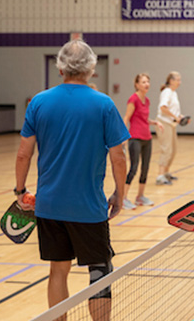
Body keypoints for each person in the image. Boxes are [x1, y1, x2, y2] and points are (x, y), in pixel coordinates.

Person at [14, 39, 130, 321]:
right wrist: (119, 194)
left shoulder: (39, 102)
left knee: (57, 270)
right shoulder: (104, 104)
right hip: (88, 208)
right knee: (100, 270)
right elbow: (118, 157)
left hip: (49, 206)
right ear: (91, 68)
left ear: (60, 67)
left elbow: (23, 154)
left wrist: (20, 191)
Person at [123, 73, 163, 209]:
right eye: (144, 82)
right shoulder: (133, 99)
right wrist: (122, 137)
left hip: (147, 138)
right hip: (135, 138)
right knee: (134, 168)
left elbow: (144, 119)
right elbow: (127, 117)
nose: (147, 84)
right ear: (137, 85)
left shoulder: (147, 100)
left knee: (145, 168)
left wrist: (155, 122)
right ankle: (123, 198)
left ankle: (140, 196)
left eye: (148, 82)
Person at [156, 72, 189, 185]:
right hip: (164, 124)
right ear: (171, 80)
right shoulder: (167, 92)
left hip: (171, 124)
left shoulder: (174, 93)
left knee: (173, 150)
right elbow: (163, 107)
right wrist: (175, 117)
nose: (179, 82)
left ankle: (166, 173)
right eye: (177, 80)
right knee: (166, 149)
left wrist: (180, 117)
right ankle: (160, 176)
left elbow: (172, 110)